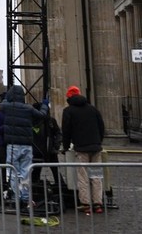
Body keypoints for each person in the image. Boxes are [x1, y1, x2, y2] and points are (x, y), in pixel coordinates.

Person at [0, 84, 49, 215]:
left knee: (13, 173)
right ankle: (26, 198)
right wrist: (45, 104)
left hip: (13, 145)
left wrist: (7, 97)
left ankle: (16, 198)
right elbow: (42, 115)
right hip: (27, 145)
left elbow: (2, 105)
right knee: (26, 173)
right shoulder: (28, 108)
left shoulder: (7, 107)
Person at [61, 85, 106, 214]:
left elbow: (66, 131)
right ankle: (98, 203)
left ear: (69, 97)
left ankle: (86, 204)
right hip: (96, 146)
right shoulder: (92, 109)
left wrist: (65, 146)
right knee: (96, 176)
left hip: (81, 147)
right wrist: (98, 140)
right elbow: (101, 126)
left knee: (83, 176)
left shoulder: (68, 111)